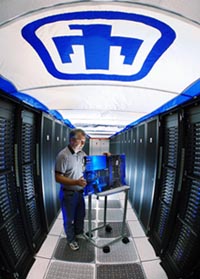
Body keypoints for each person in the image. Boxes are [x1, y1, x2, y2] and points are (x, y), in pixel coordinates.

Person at [55, 128, 87, 251]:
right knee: (69, 219)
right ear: (72, 140)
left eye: (84, 141)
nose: (83, 144)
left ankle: (79, 233)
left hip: (80, 193)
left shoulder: (82, 154)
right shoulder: (63, 156)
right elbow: (58, 177)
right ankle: (71, 240)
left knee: (80, 215)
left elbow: (90, 164)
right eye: (81, 141)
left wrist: (106, 158)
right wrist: (76, 182)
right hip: (68, 194)